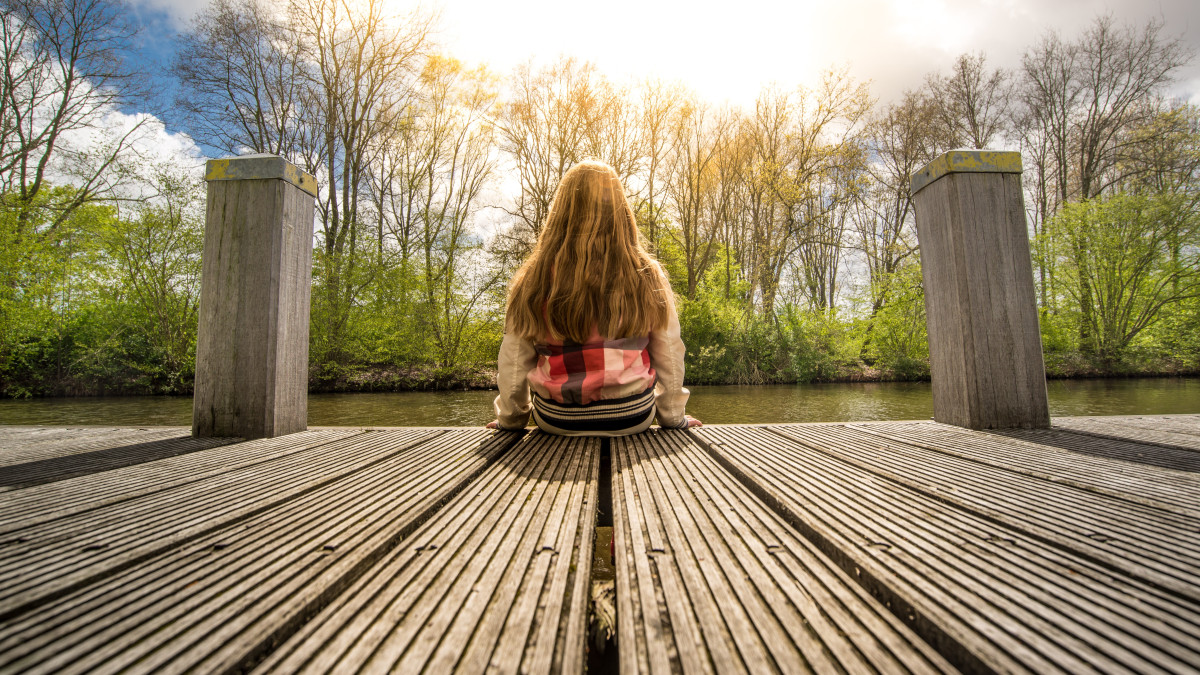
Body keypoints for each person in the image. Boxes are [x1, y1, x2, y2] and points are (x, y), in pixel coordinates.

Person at [487, 159, 700, 435]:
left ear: (561, 211)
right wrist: (673, 417)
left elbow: (514, 358)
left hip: (556, 418)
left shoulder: (534, 277)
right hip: (631, 415)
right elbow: (669, 352)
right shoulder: (646, 273)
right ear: (620, 210)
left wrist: (511, 419)